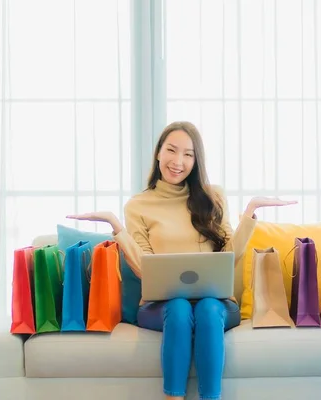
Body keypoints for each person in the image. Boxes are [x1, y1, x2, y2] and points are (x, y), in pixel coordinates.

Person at [67, 121, 296, 400]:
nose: (178, 161)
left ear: (196, 160)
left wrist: (249, 213)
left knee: (208, 309)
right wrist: (116, 226)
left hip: (217, 304)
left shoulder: (213, 197)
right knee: (177, 307)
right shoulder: (139, 206)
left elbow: (229, 256)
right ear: (158, 154)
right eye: (171, 151)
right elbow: (142, 269)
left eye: (188, 154)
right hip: (157, 306)